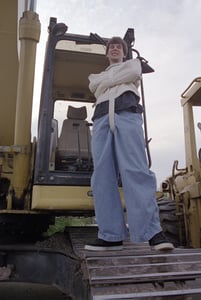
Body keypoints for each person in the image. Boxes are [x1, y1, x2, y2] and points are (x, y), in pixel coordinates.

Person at [85, 37, 174, 251]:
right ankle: (110, 235)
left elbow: (133, 74)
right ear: (106, 53)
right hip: (101, 119)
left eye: (119, 47)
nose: (115, 49)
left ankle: (152, 232)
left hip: (127, 115)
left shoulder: (133, 64)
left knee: (135, 169)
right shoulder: (96, 75)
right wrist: (114, 79)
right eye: (111, 47)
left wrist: (108, 82)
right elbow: (93, 86)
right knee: (102, 175)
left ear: (124, 53)